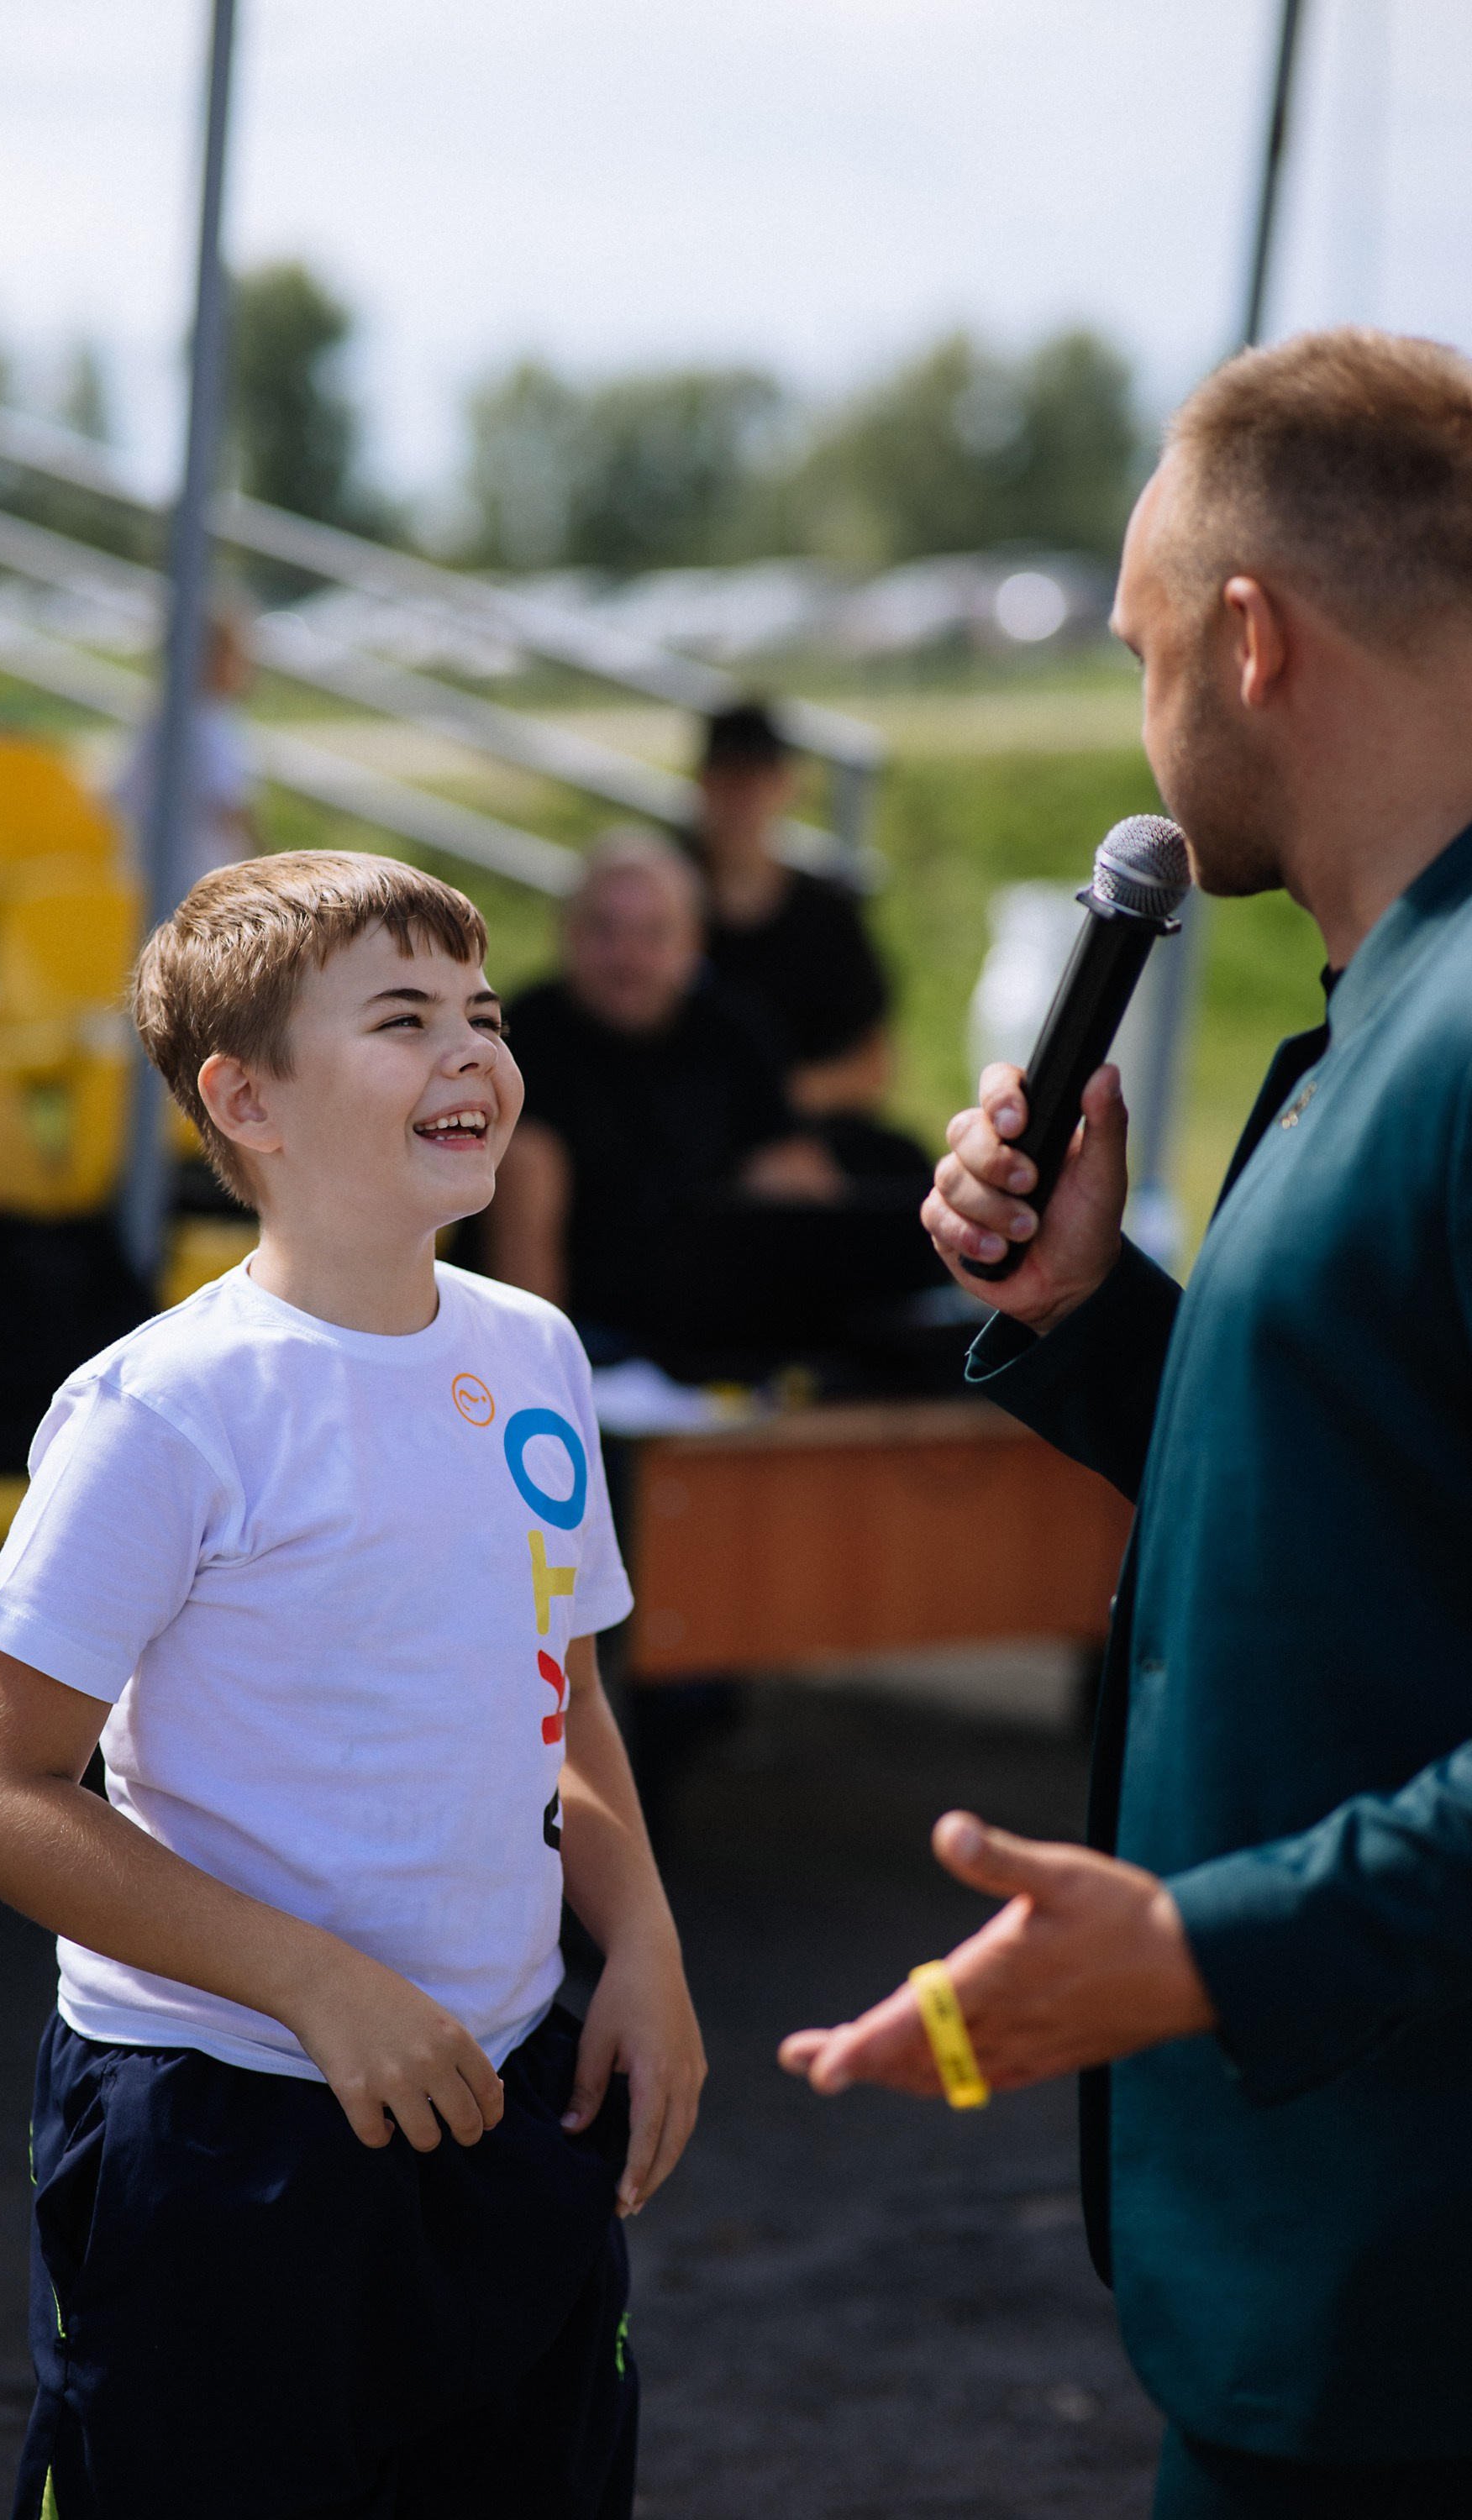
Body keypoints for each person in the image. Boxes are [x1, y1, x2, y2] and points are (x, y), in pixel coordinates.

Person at [781, 328, 1472, 2516]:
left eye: (1144, 643)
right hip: (1338, 2300)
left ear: (1252, 638)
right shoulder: (1390, 1010)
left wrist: (1200, 1945)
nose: (1141, 713)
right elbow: (1377, 1490)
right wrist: (1092, 1315)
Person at [0, 851, 706, 2520]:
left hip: (495, 2096)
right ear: (245, 1097)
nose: (472, 1053)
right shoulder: (164, 1409)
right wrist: (313, 1985)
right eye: (404, 1016)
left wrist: (638, 1946)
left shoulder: (534, 1352)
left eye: (484, 1013)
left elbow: (555, 1694)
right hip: (218, 2144)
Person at [481, 829, 841, 1352]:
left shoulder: (735, 1030)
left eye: (653, 934)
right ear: (567, 933)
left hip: (710, 1333)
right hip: (580, 1337)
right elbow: (522, 1236)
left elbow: (800, 1178)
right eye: (605, 930)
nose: (629, 958)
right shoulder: (520, 1037)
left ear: (694, 942)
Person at [692, 701, 891, 1121]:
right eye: (731, 779)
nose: (743, 798)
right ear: (705, 784)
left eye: (757, 779)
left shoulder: (827, 914)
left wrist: (764, 1104)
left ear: (784, 785)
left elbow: (873, 1066)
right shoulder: (660, 903)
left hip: (804, 1128)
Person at [113, 602, 259, 895]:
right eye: (236, 655)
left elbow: (121, 796)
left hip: (145, 871)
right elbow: (227, 807)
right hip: (203, 878)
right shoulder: (207, 722)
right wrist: (262, 864)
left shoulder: (160, 715)